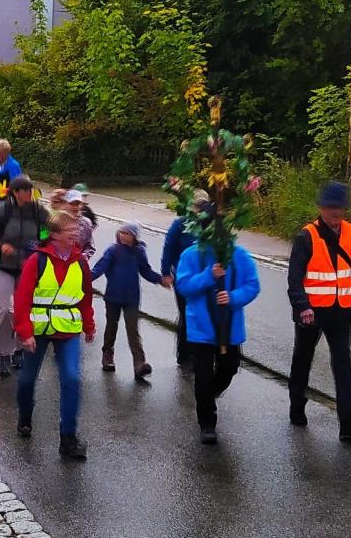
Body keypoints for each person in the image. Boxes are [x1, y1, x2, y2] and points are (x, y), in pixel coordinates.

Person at [287, 181, 351, 441]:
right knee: (303, 359)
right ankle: (297, 405)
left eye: (340, 208)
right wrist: (302, 306)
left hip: (341, 311)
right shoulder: (307, 236)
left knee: (343, 364)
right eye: (331, 208)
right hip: (311, 313)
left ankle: (348, 422)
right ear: (322, 208)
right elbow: (295, 277)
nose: (336, 213)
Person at [14, 211, 95, 459]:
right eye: (70, 232)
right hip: (38, 331)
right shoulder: (36, 262)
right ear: (55, 235)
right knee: (27, 380)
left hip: (68, 330)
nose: (75, 236)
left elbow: (85, 297)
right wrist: (25, 332)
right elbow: (22, 299)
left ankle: (68, 437)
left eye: (76, 232)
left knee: (72, 379)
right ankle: (25, 416)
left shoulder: (80, 262)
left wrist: (89, 325)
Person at [175, 221, 261, 445]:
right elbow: (183, 286)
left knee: (229, 367)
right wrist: (208, 276)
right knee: (202, 376)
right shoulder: (191, 255)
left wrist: (233, 297)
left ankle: (209, 396)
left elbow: (252, 285)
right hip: (201, 329)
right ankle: (207, 424)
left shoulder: (239, 255)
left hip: (229, 329)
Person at [0, 175, 50, 377]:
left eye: (31, 190)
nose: (30, 193)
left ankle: (20, 349)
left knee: (23, 309)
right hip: (4, 265)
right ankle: (4, 353)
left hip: (28, 266)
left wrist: (42, 244)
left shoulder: (38, 211)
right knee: (4, 309)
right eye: (26, 190)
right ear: (16, 192)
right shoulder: (4, 209)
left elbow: (48, 231)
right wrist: (0, 245)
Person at [91, 222, 167, 378]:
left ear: (134, 236)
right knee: (111, 326)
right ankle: (107, 355)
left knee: (133, 330)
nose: (122, 235)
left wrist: (160, 279)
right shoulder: (113, 250)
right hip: (113, 296)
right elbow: (100, 268)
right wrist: (85, 280)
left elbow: (146, 271)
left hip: (132, 298)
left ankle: (139, 364)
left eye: (127, 233)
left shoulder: (139, 252)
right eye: (121, 232)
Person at [160, 189, 210, 370]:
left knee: (203, 314)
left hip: (205, 278)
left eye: (202, 206)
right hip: (183, 278)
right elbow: (169, 248)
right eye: (197, 206)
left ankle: (202, 353)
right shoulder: (180, 224)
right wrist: (166, 272)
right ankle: (185, 354)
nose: (199, 210)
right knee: (187, 314)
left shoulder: (209, 225)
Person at [61, 189, 95, 260]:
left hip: (75, 263)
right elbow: (42, 239)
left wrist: (83, 257)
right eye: (72, 203)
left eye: (77, 204)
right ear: (65, 204)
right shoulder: (55, 219)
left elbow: (90, 247)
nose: (75, 207)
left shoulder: (86, 223)